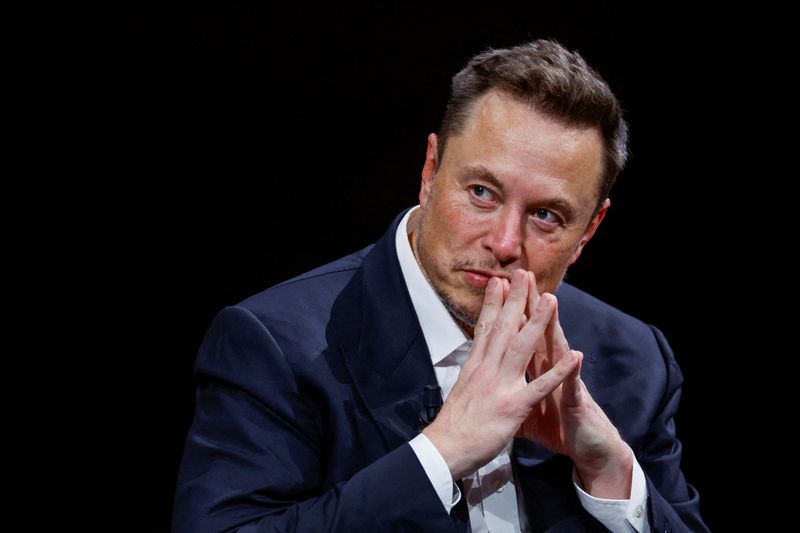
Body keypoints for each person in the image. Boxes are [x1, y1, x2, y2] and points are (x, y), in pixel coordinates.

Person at [173, 40, 707, 532]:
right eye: (481, 192)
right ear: (430, 171)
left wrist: (611, 473)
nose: (504, 242)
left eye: (546, 215)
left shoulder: (635, 360)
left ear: (589, 229)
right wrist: (440, 453)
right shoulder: (275, 346)